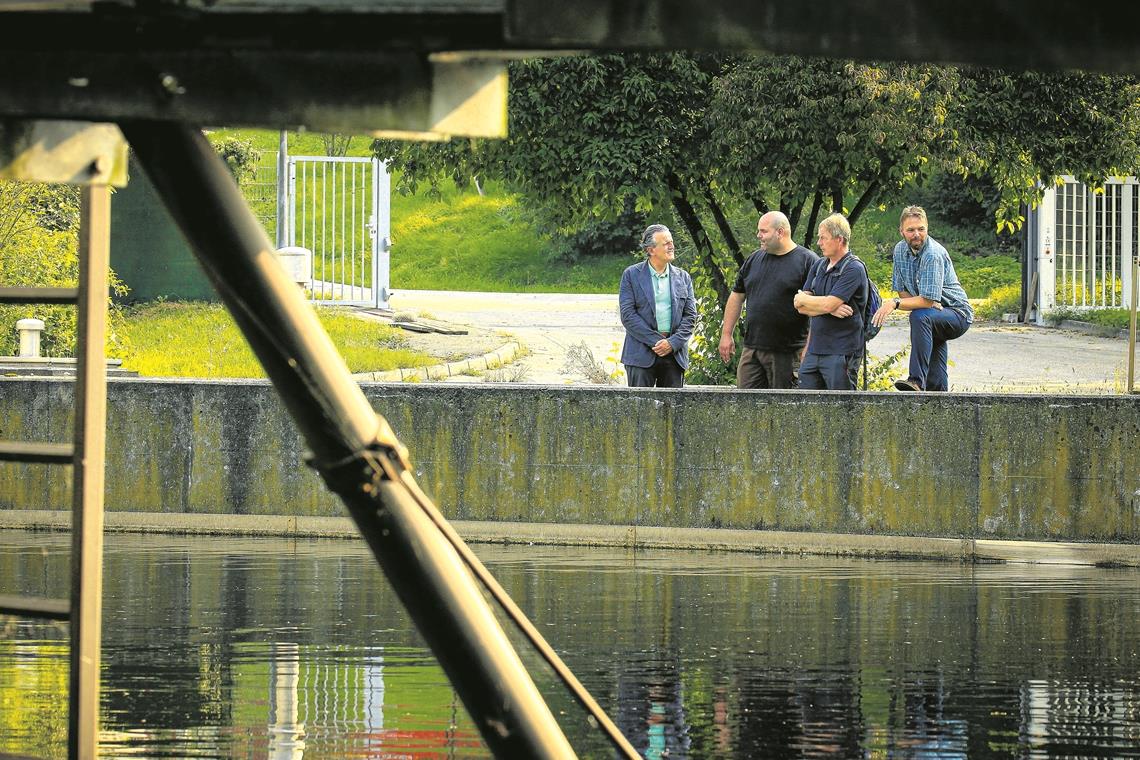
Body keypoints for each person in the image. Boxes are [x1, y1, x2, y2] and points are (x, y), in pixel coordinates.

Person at [871, 206, 973, 391]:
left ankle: (916, 381)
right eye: (910, 230)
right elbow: (902, 291)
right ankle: (939, 400)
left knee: (920, 317)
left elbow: (921, 301)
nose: (916, 234)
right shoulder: (900, 251)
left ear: (927, 228)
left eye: (921, 229)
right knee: (936, 375)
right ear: (901, 231)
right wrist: (923, 304)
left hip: (957, 314)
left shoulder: (932, 254)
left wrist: (894, 303)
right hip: (933, 314)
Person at [717, 211, 820, 388]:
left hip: (788, 353)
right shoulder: (753, 260)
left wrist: (810, 348)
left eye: (763, 231)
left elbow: (818, 309)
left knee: (783, 410)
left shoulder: (808, 262)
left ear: (780, 232)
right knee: (746, 407)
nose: (759, 235)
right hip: (752, 350)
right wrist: (726, 334)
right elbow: (737, 295)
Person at [792, 213, 869, 391]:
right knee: (807, 407)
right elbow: (800, 306)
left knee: (842, 409)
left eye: (823, 238)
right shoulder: (818, 265)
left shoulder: (854, 268)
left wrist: (812, 301)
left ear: (839, 239)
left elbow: (817, 303)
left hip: (841, 352)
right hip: (814, 350)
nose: (819, 243)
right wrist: (829, 308)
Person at [618, 224, 697, 387]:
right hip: (640, 355)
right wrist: (658, 342)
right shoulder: (631, 275)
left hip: (674, 355)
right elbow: (628, 316)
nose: (672, 246)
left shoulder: (683, 277)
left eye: (671, 242)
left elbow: (690, 317)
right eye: (666, 243)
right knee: (640, 410)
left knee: (673, 411)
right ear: (651, 250)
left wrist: (672, 343)